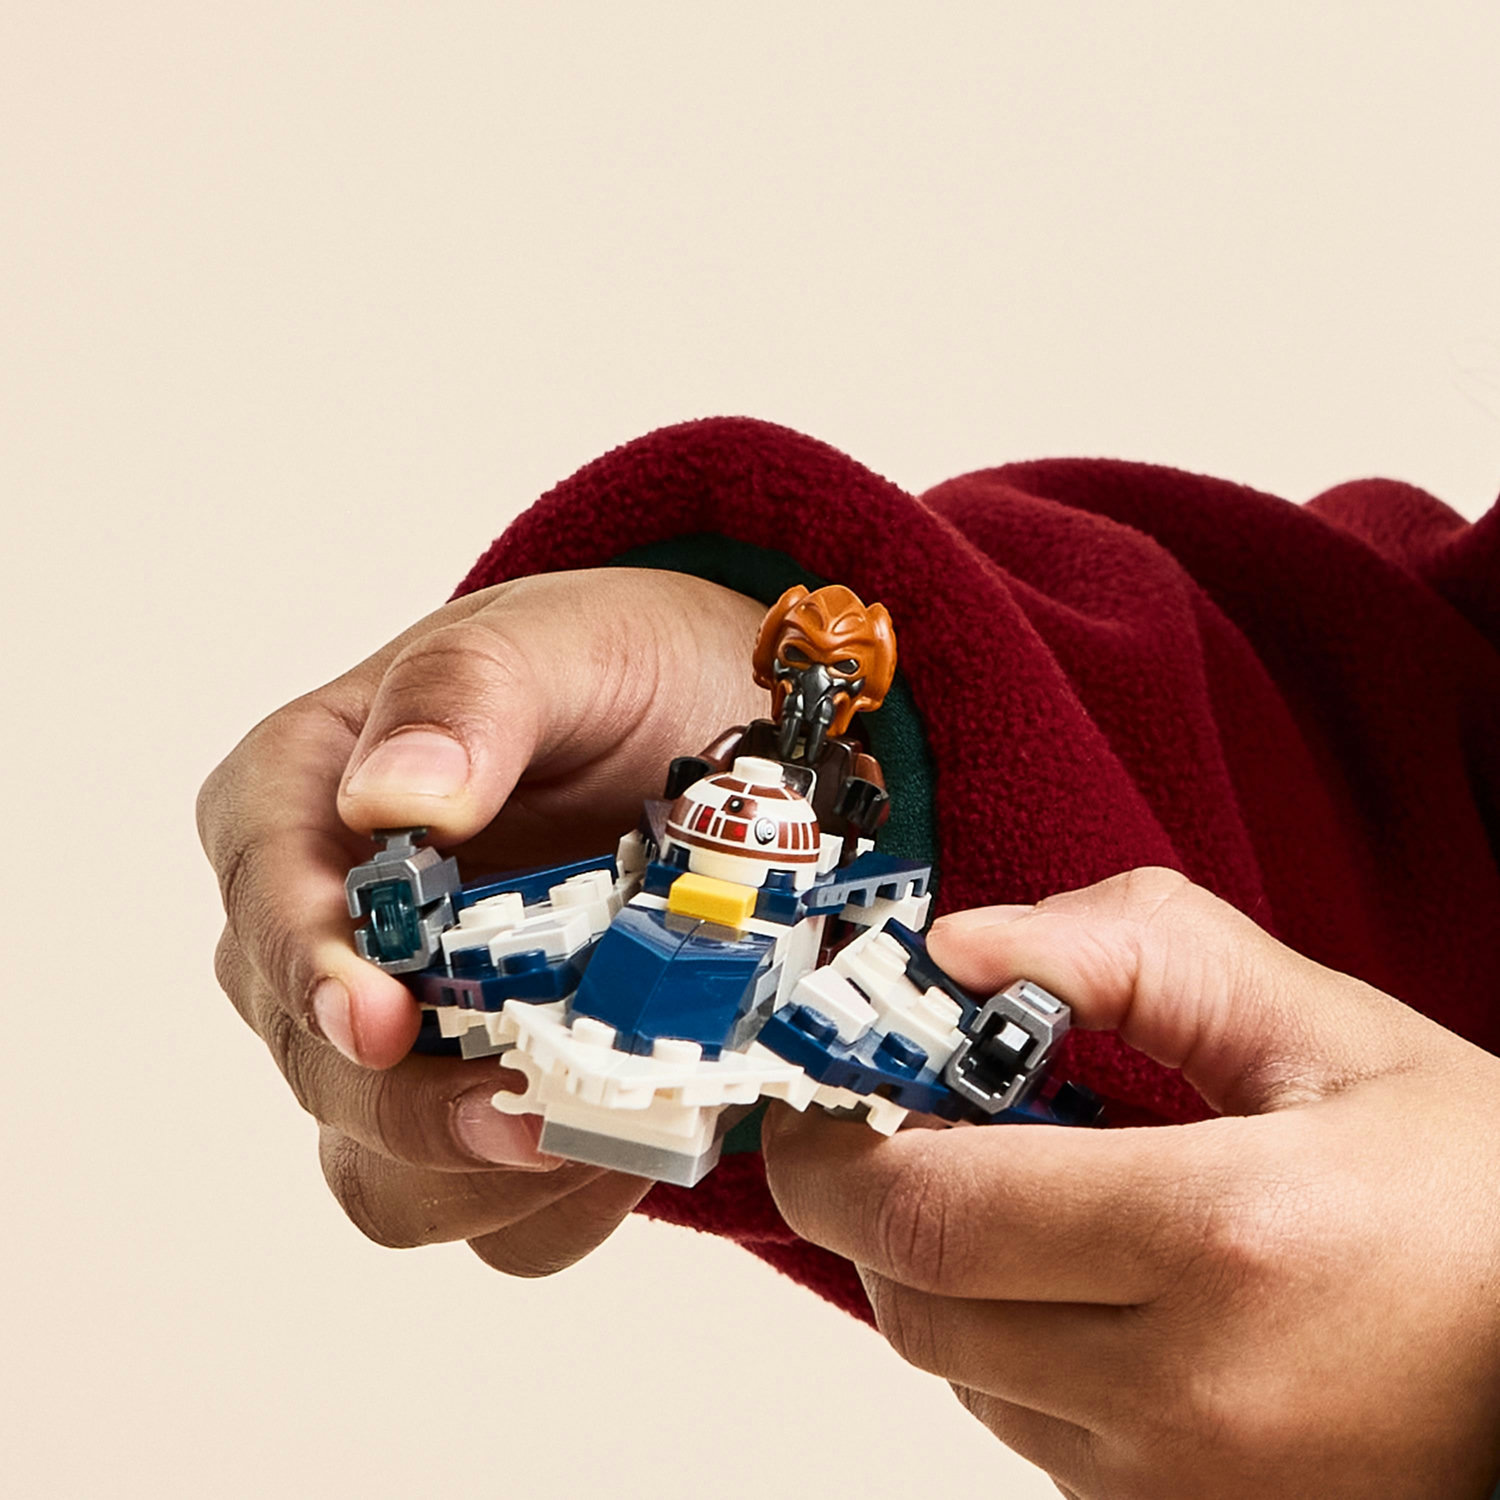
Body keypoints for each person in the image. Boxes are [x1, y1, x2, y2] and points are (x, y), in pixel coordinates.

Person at [197, 417, 1500, 1497]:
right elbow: (1407, 764)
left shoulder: (829, 897)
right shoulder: (752, 783)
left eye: (833, 683)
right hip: (700, 916)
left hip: (776, 930)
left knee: (906, 1035)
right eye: (799, 677)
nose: (813, 697)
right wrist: (947, 776)